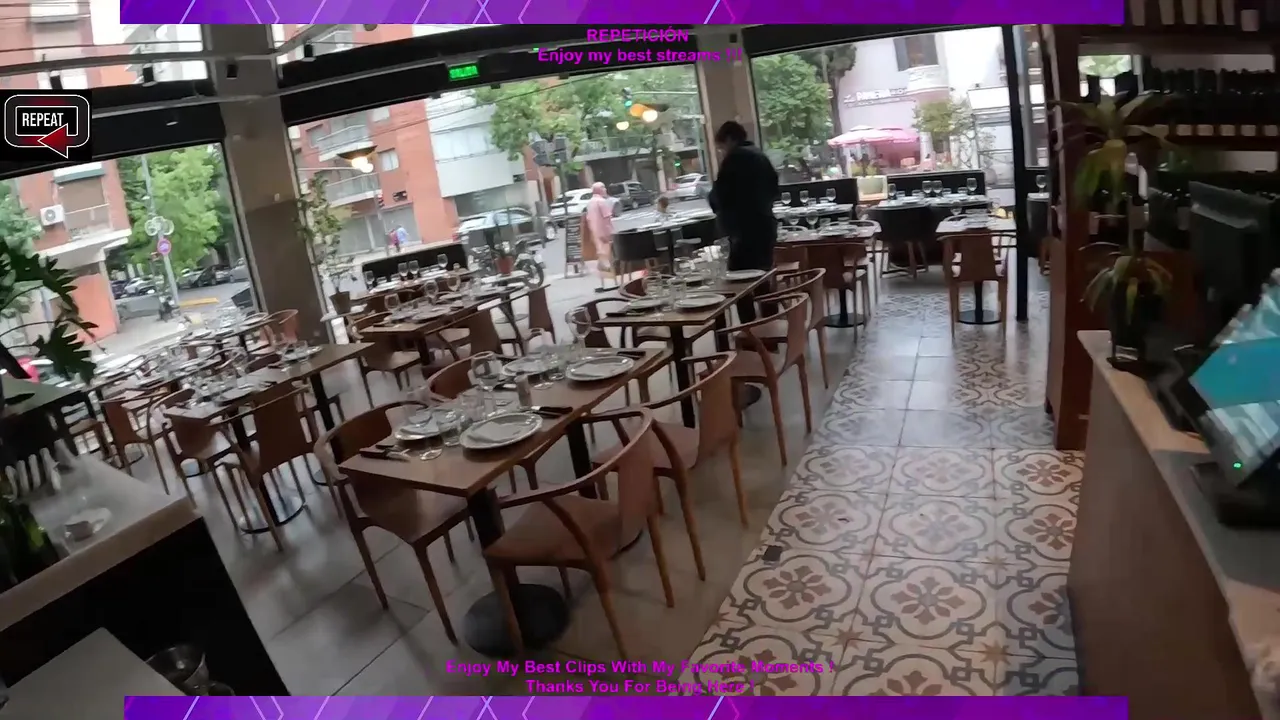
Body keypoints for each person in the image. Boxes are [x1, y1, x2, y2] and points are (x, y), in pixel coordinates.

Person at [708, 121, 779, 321]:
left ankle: (749, 329)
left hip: (744, 232)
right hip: (766, 226)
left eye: (722, 147)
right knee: (763, 279)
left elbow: (720, 197)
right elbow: (775, 191)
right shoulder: (760, 156)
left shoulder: (734, 159)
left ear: (730, 139)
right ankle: (770, 325)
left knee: (738, 285)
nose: (722, 152)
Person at [584, 182, 615, 280]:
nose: (605, 190)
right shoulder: (601, 201)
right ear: (600, 190)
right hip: (603, 229)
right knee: (608, 248)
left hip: (594, 230)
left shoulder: (590, 202)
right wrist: (610, 230)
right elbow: (607, 217)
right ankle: (610, 267)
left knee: (600, 249)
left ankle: (602, 264)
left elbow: (588, 218)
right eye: (603, 188)